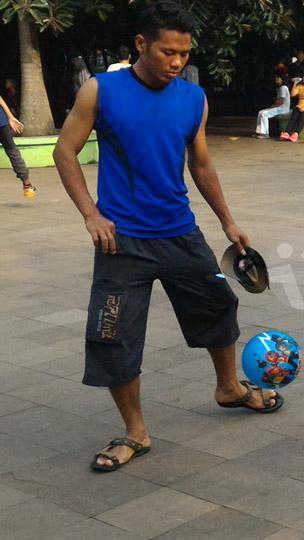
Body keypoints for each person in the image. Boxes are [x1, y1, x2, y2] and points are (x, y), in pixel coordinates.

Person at [52, 0, 282, 473]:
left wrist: (228, 222)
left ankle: (229, 388)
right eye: (167, 52)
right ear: (141, 44)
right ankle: (136, 432)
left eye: (184, 54)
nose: (177, 62)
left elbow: (200, 163)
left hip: (181, 233)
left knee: (219, 307)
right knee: (112, 334)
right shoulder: (102, 91)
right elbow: (64, 152)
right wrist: (90, 214)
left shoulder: (192, 98)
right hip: (122, 243)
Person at [1, 94, 33, 197]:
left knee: (12, 150)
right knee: (12, 151)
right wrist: (10, 117)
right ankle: (27, 186)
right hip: (1, 122)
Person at [280, 73, 304, 142]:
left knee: (303, 115)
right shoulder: (300, 86)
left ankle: (296, 133)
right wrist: (295, 83)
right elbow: (292, 94)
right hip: (300, 105)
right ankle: (287, 132)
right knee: (295, 112)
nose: (303, 78)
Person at [254, 75, 291, 139]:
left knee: (264, 114)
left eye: (278, 79)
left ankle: (265, 133)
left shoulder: (283, 88)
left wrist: (271, 107)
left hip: (283, 108)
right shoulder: (279, 88)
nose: (276, 80)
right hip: (279, 108)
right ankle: (259, 132)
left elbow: (281, 102)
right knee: (260, 112)